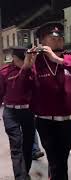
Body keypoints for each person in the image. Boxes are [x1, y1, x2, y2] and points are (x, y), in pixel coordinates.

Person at [24, 22, 71, 180]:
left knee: (61, 159)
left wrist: (58, 60)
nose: (59, 40)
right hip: (47, 122)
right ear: (42, 41)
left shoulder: (69, 57)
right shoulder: (35, 61)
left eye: (61, 37)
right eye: (53, 38)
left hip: (70, 120)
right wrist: (26, 67)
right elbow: (22, 87)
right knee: (55, 161)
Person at [0, 47, 35, 180]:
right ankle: (21, 177)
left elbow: (33, 88)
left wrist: (26, 69)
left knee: (28, 144)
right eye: (19, 60)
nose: (21, 63)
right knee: (16, 144)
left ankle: (25, 172)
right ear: (14, 58)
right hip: (10, 112)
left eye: (23, 60)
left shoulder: (32, 70)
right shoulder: (4, 72)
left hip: (28, 111)